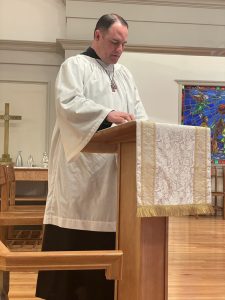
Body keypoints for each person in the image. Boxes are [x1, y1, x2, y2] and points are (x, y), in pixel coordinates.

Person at [36, 13, 148, 300]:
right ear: (97, 36)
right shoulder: (75, 66)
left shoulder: (124, 75)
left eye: (124, 44)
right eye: (114, 42)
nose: (119, 50)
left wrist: (145, 128)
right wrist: (106, 114)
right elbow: (68, 103)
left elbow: (138, 111)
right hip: (79, 173)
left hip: (113, 174)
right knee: (73, 230)